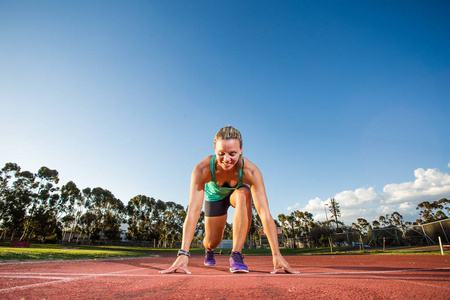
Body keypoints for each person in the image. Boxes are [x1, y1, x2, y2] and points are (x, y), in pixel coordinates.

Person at [159, 126, 299, 274]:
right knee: (213, 241)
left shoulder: (251, 172)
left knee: (244, 193)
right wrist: (183, 253)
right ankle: (209, 249)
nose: (226, 160)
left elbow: (264, 213)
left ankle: (236, 255)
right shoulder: (202, 169)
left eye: (232, 154)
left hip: (237, 195)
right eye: (221, 153)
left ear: (241, 150)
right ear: (214, 149)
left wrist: (277, 255)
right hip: (215, 198)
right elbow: (193, 210)